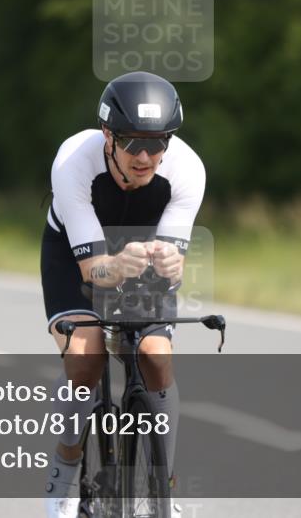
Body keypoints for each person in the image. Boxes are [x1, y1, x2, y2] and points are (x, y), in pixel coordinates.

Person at [42, 71, 205, 517]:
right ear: (107, 136)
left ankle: (163, 491)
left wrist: (173, 264)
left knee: (155, 354)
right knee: (86, 353)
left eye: (159, 142)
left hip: (143, 255)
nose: (146, 155)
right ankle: (65, 472)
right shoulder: (73, 162)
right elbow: (93, 269)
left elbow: (174, 258)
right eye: (133, 142)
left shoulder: (187, 169)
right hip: (76, 254)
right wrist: (116, 265)